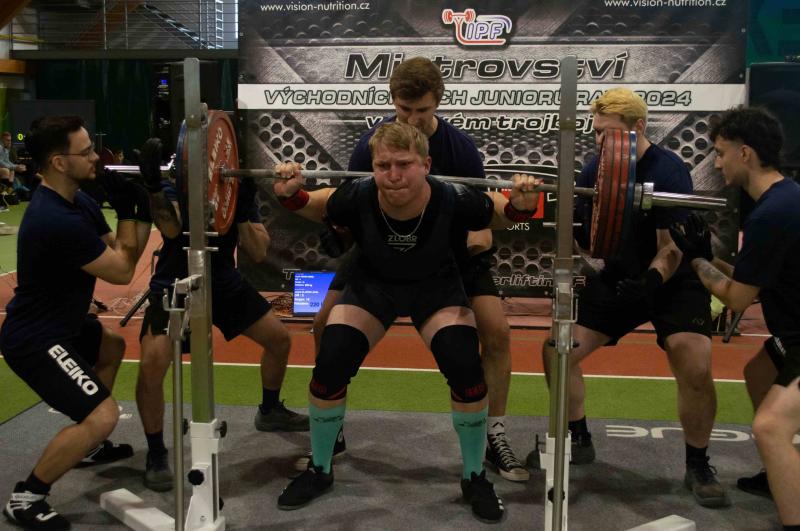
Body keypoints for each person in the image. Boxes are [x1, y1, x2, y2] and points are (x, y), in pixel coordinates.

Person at [272, 121, 539, 522]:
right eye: (383, 166)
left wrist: (522, 203)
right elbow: (319, 203)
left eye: (404, 165)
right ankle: (321, 469)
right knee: (332, 360)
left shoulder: (452, 197)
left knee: (465, 367)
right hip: (373, 286)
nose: (393, 175)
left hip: (435, 289)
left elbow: (500, 214)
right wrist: (292, 195)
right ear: (373, 167)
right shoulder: (360, 194)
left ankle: (473, 477)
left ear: (425, 165)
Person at [304, 56, 528, 482]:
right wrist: (340, 235)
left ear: (437, 102)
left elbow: (484, 220)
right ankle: (332, 429)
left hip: (454, 255)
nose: (411, 119)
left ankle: (494, 435)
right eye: (403, 109)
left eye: (421, 111)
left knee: (496, 332)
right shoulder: (373, 144)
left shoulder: (460, 150)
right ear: (393, 101)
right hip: (381, 253)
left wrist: (474, 240)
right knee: (323, 325)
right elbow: (352, 212)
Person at [539, 87, 728, 507]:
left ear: (638, 127)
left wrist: (651, 281)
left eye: (608, 133)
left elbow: (671, 247)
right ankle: (578, 436)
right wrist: (568, 222)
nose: (600, 141)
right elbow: (591, 243)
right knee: (557, 351)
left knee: (694, 365)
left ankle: (698, 464)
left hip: (673, 279)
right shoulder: (594, 171)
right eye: (596, 133)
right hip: (622, 278)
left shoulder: (668, 170)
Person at [0, 116, 151, 530]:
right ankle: (27, 496)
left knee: (112, 346)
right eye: (85, 152)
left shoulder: (79, 202)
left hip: (62, 324)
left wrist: (136, 212)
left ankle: (88, 444)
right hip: (35, 338)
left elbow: (116, 248)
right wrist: (130, 212)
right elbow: (122, 270)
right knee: (102, 416)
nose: (96, 157)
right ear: (58, 162)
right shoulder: (54, 218)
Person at [134, 138, 309, 492]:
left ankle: (270, 410)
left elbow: (258, 252)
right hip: (176, 283)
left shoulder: (235, 188)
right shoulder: (176, 184)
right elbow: (172, 230)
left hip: (223, 282)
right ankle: (156, 452)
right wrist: (153, 187)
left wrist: (240, 211)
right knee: (153, 364)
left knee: (279, 340)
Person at [669, 107, 800, 529]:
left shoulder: (770, 215)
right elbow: (752, 280)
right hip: (792, 335)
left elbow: (739, 298)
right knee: (758, 373)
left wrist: (695, 261)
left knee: (769, 428)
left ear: (745, 153)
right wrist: (708, 258)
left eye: (721, 152)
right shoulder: (785, 199)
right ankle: (779, 473)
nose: (716, 162)